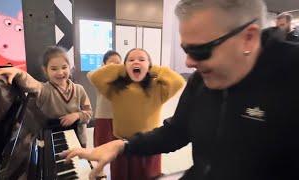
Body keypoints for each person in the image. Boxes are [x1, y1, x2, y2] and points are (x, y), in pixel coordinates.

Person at [62, 0, 299, 179]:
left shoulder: (290, 78)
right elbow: (176, 132)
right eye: (186, 49)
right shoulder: (201, 80)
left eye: (200, 50)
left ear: (248, 38)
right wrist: (122, 145)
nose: (188, 63)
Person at [86, 48, 185, 180]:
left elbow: (178, 81)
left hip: (149, 145)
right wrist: (122, 68)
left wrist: (151, 68)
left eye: (142, 59)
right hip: (121, 146)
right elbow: (95, 77)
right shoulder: (116, 89)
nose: (136, 62)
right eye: (131, 60)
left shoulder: (157, 89)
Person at [0, 46, 92, 147]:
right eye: (54, 69)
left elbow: (88, 113)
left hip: (78, 138)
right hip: (54, 139)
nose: (60, 72)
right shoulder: (44, 89)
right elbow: (30, 83)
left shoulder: (79, 89)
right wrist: (19, 73)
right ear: (45, 70)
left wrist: (77, 115)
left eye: (64, 67)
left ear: (70, 67)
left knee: (81, 161)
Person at [87, 50, 122, 148]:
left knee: (117, 148)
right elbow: (90, 74)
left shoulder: (122, 79)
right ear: (104, 64)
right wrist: (105, 69)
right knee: (102, 146)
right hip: (103, 118)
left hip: (119, 118)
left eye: (118, 63)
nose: (115, 66)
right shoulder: (100, 79)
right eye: (112, 63)